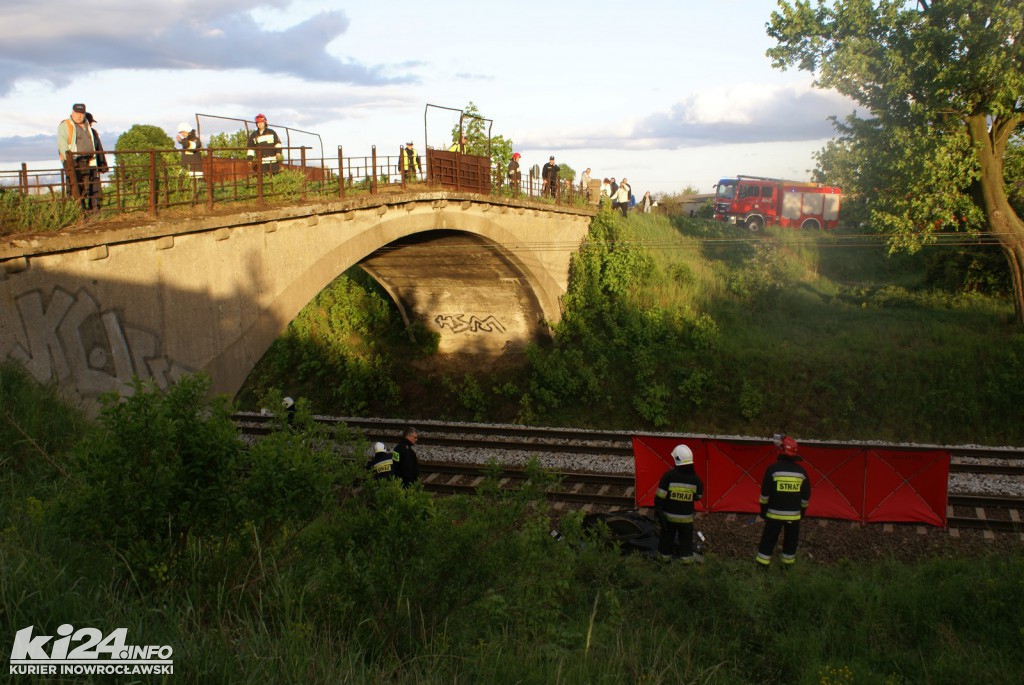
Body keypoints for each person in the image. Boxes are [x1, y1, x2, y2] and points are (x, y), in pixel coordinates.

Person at [756, 434, 812, 569]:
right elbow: (805, 498)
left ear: (781, 450)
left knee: (768, 541)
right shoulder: (802, 472)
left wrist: (763, 512)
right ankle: (787, 569)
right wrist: (802, 513)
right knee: (790, 542)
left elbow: (764, 496)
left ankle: (762, 569)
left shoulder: (772, 469)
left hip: (773, 516)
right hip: (793, 516)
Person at [654, 444, 704, 563]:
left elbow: (659, 497)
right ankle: (686, 566)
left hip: (668, 519)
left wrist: (659, 513)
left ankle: (663, 564)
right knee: (686, 544)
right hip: (686, 521)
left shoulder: (668, 476)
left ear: (677, 460)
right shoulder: (695, 479)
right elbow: (698, 497)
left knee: (666, 543)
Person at [57, 103, 101, 212]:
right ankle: (77, 211)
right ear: (72, 112)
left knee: (92, 185)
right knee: (75, 186)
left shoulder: (87, 124)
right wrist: (69, 159)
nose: (79, 116)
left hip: (90, 160)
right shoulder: (65, 125)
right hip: (74, 161)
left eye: (81, 113)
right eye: (77, 113)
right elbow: (62, 143)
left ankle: (94, 210)